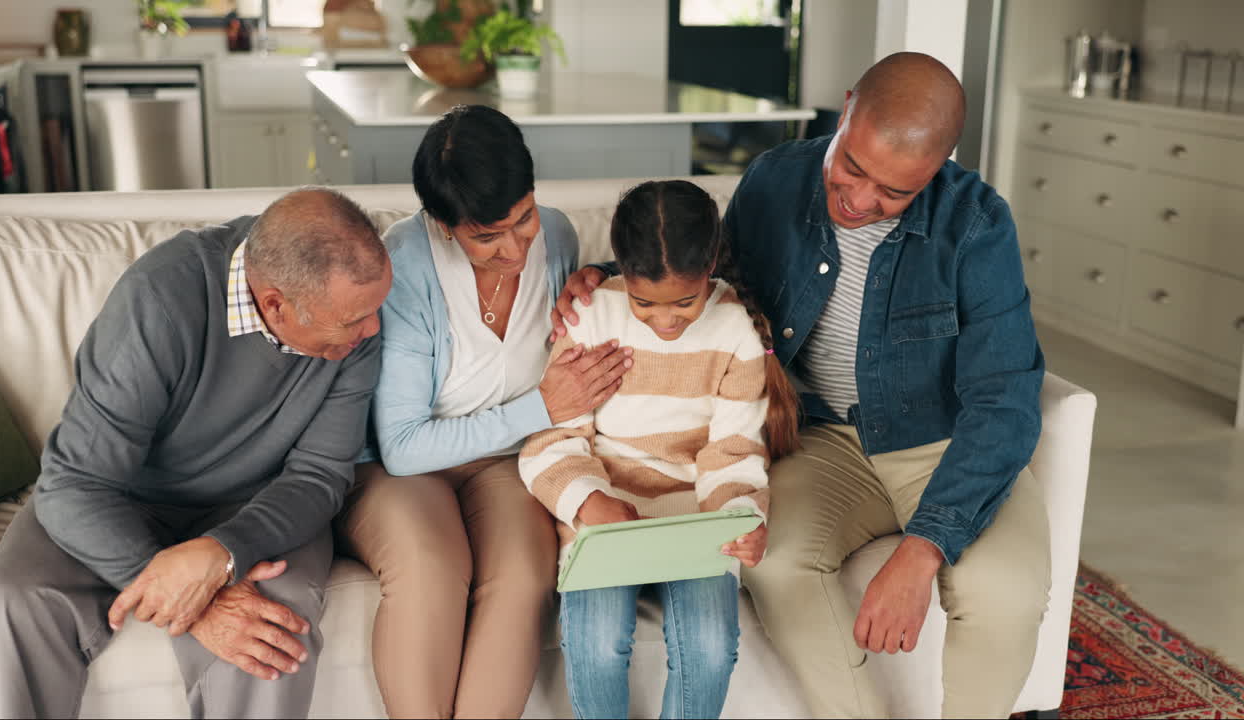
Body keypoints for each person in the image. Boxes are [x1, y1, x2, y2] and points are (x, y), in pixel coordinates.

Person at [552, 53, 1050, 718]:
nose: (861, 201)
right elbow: (713, 272)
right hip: (822, 442)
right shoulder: (777, 178)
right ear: (846, 113)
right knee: (770, 560)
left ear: (936, 170)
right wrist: (608, 275)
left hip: (944, 446)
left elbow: (1006, 402)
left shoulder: (978, 225)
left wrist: (924, 546)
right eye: (854, 168)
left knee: (1005, 592)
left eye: (894, 193)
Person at [0, 187, 392, 718]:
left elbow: (319, 475)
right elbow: (74, 483)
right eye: (354, 321)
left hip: (254, 505)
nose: (373, 329)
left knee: (271, 631)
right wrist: (196, 603)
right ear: (277, 303)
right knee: (14, 603)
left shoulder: (356, 321)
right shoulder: (160, 299)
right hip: (120, 498)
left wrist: (224, 553)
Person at [336, 104, 633, 719]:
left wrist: (599, 274)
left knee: (526, 577)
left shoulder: (557, 237)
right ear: (444, 226)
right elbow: (403, 445)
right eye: (486, 236)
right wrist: (544, 406)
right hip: (403, 471)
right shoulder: (404, 266)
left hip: (506, 459)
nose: (514, 248)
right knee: (432, 570)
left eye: (521, 219)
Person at [521, 179, 799, 720]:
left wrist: (739, 518)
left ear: (710, 269)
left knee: (711, 649)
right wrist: (588, 502)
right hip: (601, 514)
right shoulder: (591, 315)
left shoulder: (736, 331)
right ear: (621, 271)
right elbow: (554, 438)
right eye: (645, 302)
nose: (666, 320)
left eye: (686, 302)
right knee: (596, 646)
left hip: (695, 515)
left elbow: (734, 450)